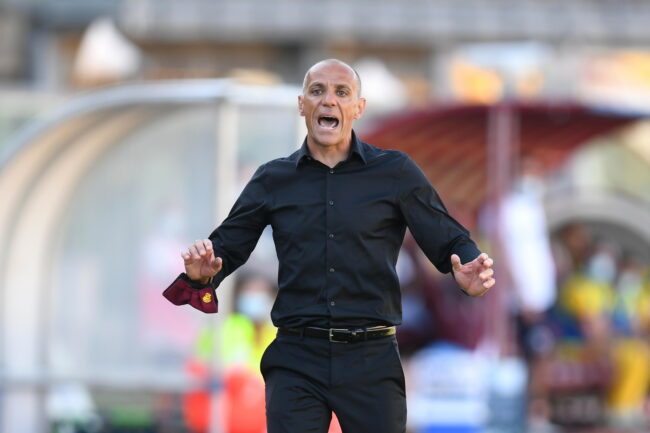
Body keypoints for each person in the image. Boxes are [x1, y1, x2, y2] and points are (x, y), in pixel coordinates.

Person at [163, 58, 495, 433]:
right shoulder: (274, 179)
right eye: (317, 91)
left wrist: (467, 266)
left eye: (341, 92)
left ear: (358, 108)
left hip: (372, 356)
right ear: (302, 104)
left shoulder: (395, 172)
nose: (329, 101)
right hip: (296, 356)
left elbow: (447, 235)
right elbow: (226, 245)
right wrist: (202, 275)